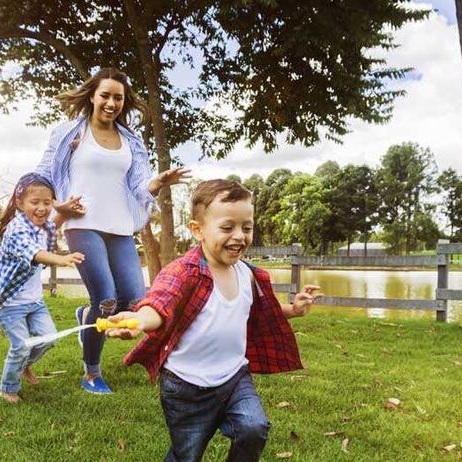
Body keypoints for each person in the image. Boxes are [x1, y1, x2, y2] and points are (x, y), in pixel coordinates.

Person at [106, 179, 321, 462]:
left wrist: (293, 309)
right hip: (185, 386)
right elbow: (161, 303)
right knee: (187, 454)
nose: (240, 236)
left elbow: (259, 310)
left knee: (253, 429)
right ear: (198, 230)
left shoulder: (247, 274)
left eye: (247, 227)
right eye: (227, 227)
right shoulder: (184, 272)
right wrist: (139, 320)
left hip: (234, 377)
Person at [35, 67, 190, 394]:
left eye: (118, 97)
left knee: (135, 300)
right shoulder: (68, 133)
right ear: (92, 95)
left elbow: (137, 186)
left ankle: (85, 317)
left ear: (124, 101)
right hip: (82, 223)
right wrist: (55, 208)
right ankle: (91, 373)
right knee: (105, 299)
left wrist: (158, 182)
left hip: (119, 225)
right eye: (105, 95)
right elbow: (44, 174)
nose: (111, 102)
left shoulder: (131, 140)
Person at [0, 173, 85, 404]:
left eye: (47, 203)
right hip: (9, 301)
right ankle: (8, 388)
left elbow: (53, 223)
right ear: (20, 204)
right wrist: (61, 259)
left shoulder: (43, 226)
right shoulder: (16, 229)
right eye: (35, 202)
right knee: (20, 346)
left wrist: (64, 210)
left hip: (34, 300)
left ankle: (24, 365)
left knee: (48, 338)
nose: (41, 208)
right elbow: (35, 253)